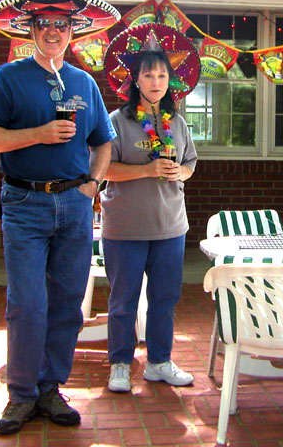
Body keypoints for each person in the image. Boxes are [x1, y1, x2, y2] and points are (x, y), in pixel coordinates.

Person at [0, 0, 120, 436]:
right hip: (24, 203)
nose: (52, 31)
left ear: (73, 31)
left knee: (69, 304)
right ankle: (21, 394)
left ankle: (50, 387)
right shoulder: (7, 78)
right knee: (28, 303)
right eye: (44, 24)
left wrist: (93, 184)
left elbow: (103, 141)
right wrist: (38, 133)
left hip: (74, 205)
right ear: (30, 30)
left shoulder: (85, 83)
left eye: (61, 24)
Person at [101, 23, 200, 392]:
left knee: (164, 298)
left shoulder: (178, 123)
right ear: (136, 80)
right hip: (125, 227)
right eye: (148, 74)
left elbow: (190, 164)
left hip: (170, 227)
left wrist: (180, 172)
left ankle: (159, 361)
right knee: (123, 300)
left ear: (169, 80)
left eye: (162, 74)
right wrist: (146, 170)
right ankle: (121, 364)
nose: (156, 80)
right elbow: (104, 169)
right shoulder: (116, 122)